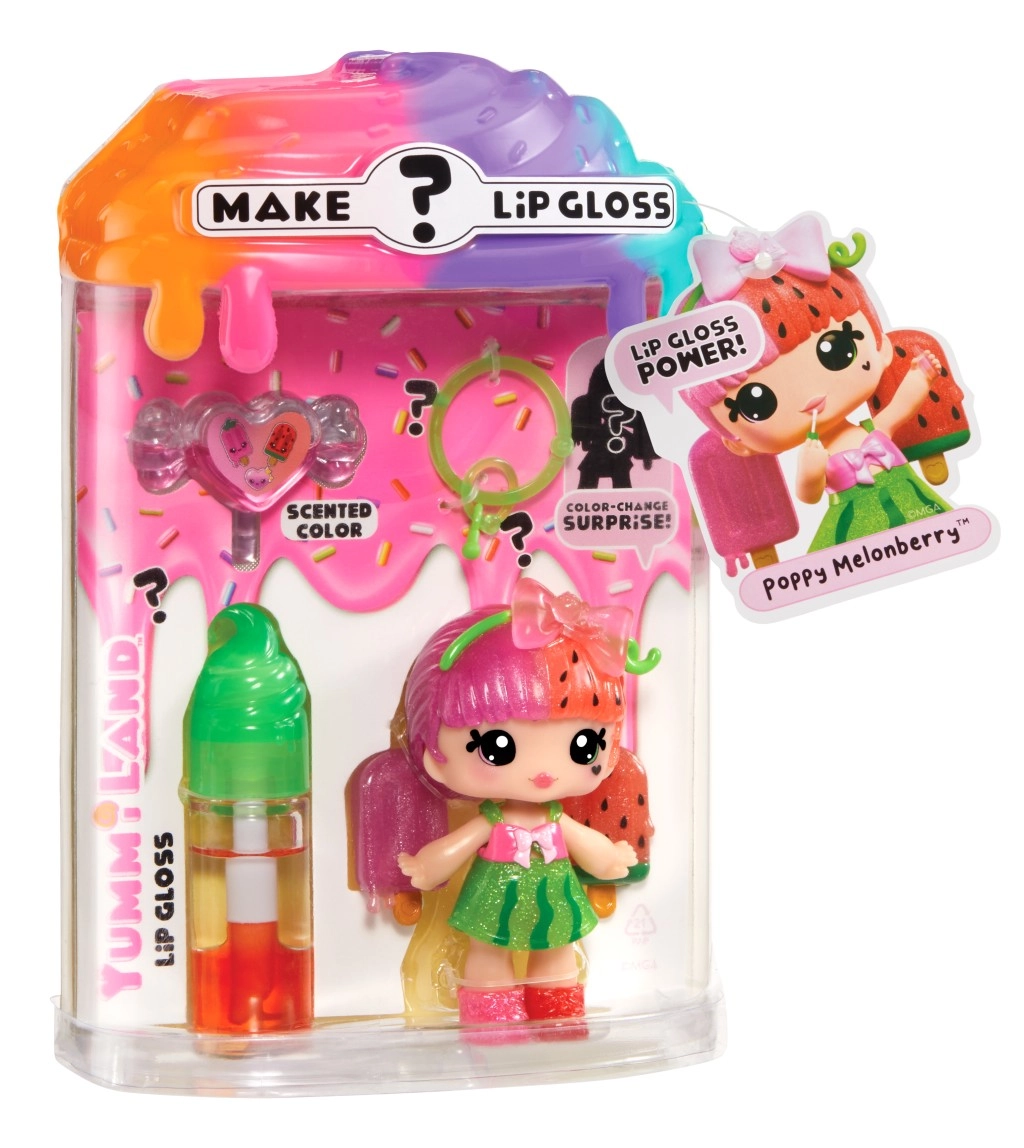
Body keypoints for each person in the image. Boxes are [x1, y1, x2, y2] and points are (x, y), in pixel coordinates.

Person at [348, 578, 657, 1032]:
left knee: (556, 951)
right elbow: (459, 844)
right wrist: (427, 865)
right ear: (432, 754)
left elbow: (585, 844)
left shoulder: (555, 818)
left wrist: (610, 858)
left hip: (554, 896)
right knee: (488, 953)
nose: (543, 773)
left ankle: (560, 1015)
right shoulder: (492, 818)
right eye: (497, 746)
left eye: (583, 744)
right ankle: (491, 1019)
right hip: (496, 896)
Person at [682, 214, 961, 553]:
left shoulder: (875, 430)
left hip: (915, 512)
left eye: (837, 350)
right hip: (851, 530)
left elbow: (901, 407)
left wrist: (921, 375)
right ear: (735, 442)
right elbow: (810, 495)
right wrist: (811, 472)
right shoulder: (829, 451)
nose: (810, 395)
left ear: (881, 347)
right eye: (756, 402)